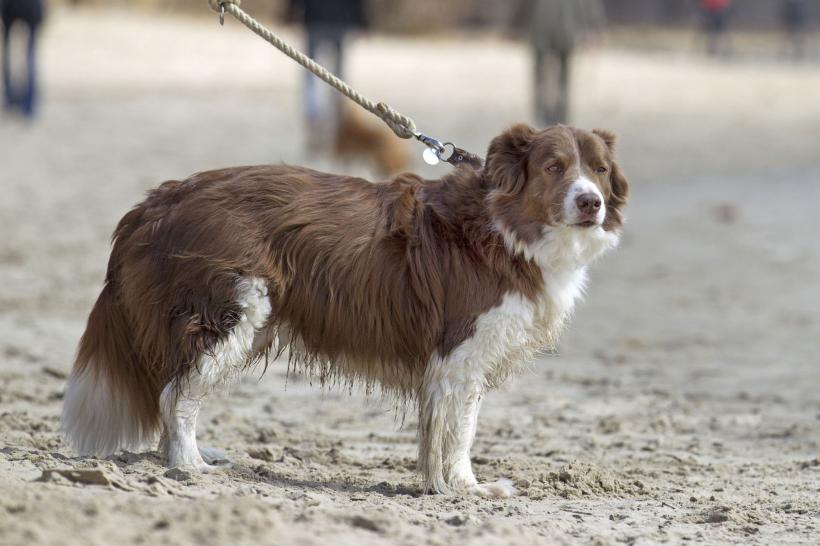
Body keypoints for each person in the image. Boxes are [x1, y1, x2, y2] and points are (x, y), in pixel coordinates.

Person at [287, 0, 367, 144]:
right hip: (339, 19)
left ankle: (316, 117)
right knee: (338, 78)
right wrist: (362, 21)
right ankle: (337, 121)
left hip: (315, 18)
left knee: (311, 73)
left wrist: (290, 14)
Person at [514, 0, 605, 127]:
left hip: (561, 27)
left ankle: (559, 114)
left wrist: (593, 27)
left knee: (561, 75)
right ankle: (543, 113)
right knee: (543, 74)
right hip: (545, 28)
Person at [1, 0, 45, 118]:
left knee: (8, 52)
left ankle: (10, 99)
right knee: (30, 53)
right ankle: (28, 104)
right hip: (31, 5)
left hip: (9, 5)